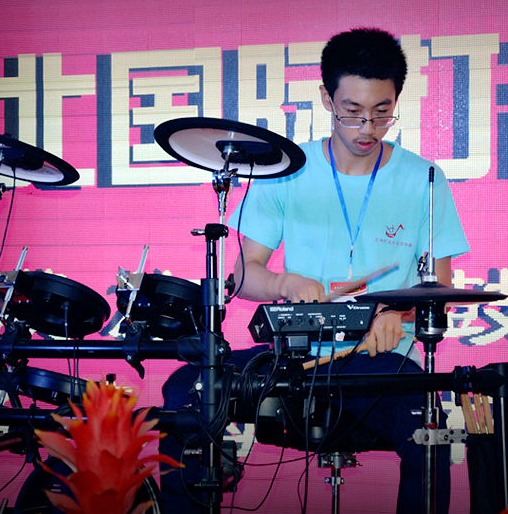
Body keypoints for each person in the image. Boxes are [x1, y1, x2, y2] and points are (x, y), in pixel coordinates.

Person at [160, 27, 469, 514]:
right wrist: (285, 283)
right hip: (294, 360)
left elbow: (440, 288)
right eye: (352, 111)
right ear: (327, 99)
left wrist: (400, 315)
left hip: (379, 363)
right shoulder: (287, 171)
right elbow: (244, 276)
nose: (367, 128)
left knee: (427, 423)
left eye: (382, 112)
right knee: (187, 387)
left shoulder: (423, 178)